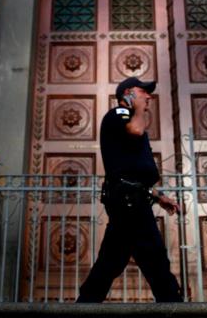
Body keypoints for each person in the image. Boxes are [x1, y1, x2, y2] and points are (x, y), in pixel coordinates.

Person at [76, 76, 183, 303]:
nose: (148, 95)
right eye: (143, 91)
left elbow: (131, 173)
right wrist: (137, 108)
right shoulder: (119, 114)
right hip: (128, 202)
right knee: (154, 258)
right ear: (128, 93)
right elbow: (135, 130)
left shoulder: (129, 118)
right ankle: (174, 308)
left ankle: (83, 306)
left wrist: (159, 196)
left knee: (111, 260)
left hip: (131, 198)